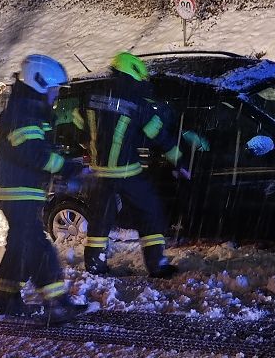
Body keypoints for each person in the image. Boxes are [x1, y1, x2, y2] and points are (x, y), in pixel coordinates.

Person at [79, 51, 208, 278]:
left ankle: (95, 265)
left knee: (101, 219)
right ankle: (156, 264)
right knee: (150, 214)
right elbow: (160, 136)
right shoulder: (138, 104)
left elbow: (79, 124)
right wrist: (180, 162)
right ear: (135, 74)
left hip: (99, 174)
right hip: (128, 173)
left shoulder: (92, 96)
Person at [0, 54, 86, 323]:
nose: (56, 96)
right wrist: (65, 167)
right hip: (18, 193)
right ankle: (57, 303)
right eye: (55, 90)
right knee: (37, 246)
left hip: (22, 192)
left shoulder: (27, 109)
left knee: (20, 246)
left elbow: (33, 152)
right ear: (40, 83)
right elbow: (32, 151)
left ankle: (5, 300)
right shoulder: (24, 112)